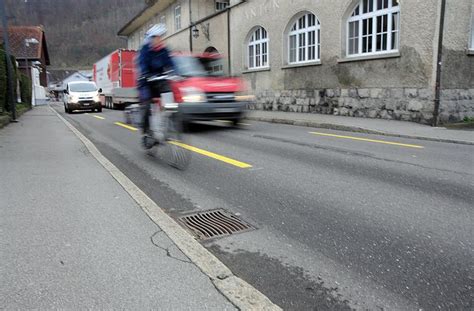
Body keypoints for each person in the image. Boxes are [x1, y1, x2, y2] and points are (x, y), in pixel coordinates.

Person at [136, 24, 175, 147]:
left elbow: (171, 63)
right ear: (151, 38)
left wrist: (175, 73)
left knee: (170, 100)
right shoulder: (145, 50)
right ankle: (146, 132)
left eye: (161, 37)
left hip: (160, 80)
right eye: (157, 37)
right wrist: (146, 74)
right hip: (146, 81)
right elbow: (142, 64)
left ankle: (166, 123)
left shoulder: (164, 50)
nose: (160, 39)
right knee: (147, 106)